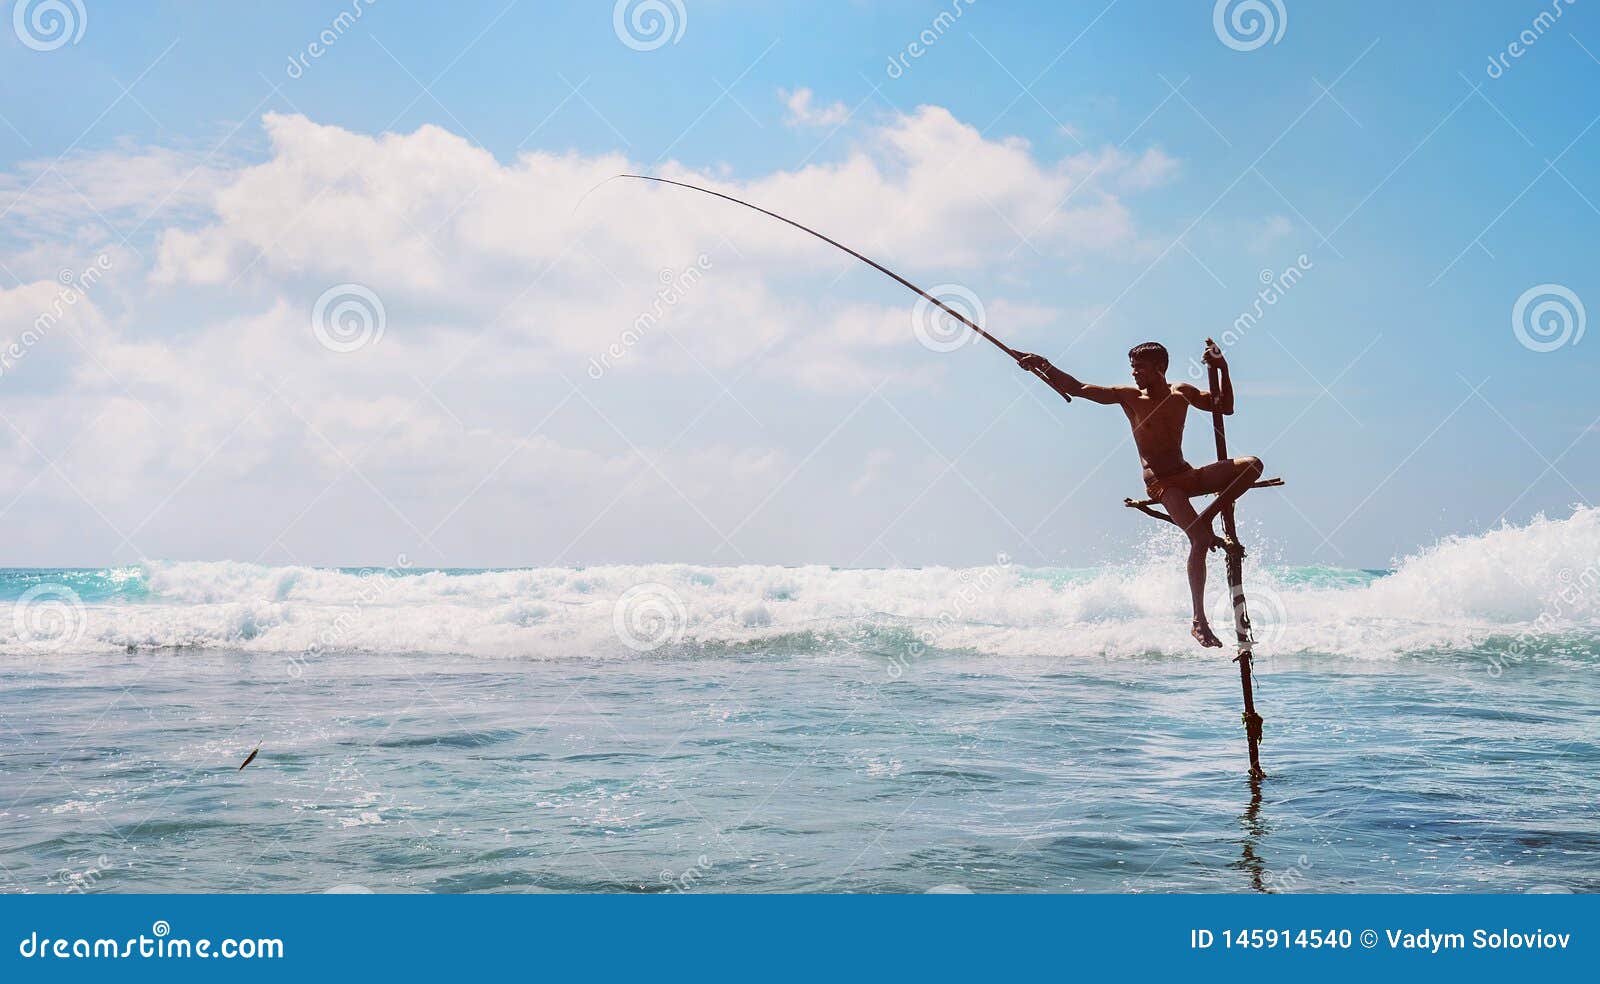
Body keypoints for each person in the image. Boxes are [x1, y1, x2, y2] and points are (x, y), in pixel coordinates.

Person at [1016, 340, 1263, 648]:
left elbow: (1224, 406)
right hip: (1163, 484)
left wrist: (1222, 367)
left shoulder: (1182, 393)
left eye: (1140, 368)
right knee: (1199, 539)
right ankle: (1199, 621)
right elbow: (1078, 388)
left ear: (1160, 369)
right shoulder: (1128, 397)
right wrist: (1044, 364)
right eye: (1132, 367)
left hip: (1187, 474)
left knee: (1252, 465)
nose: (1134, 373)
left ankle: (1206, 516)